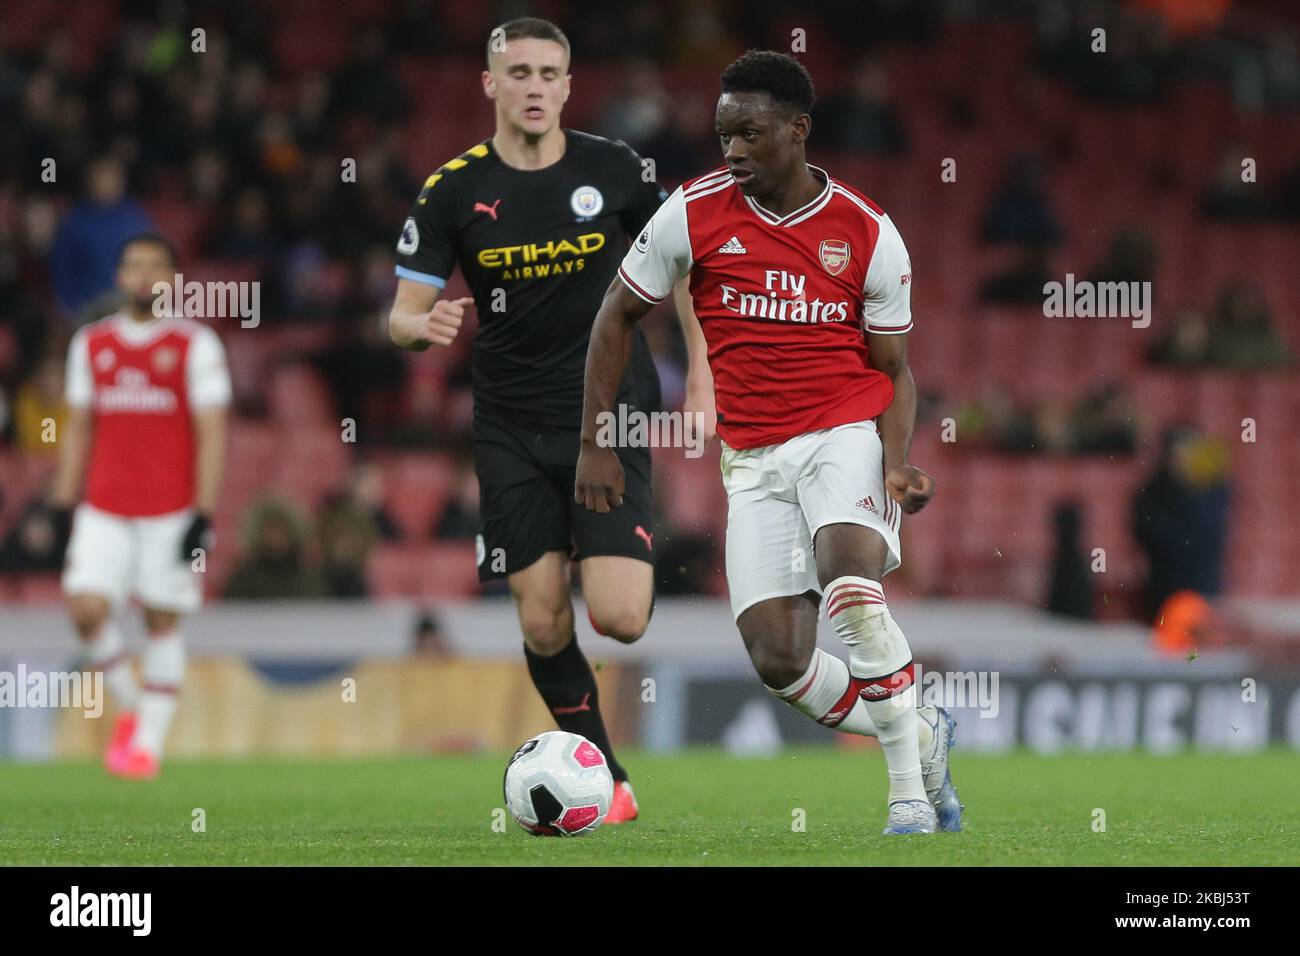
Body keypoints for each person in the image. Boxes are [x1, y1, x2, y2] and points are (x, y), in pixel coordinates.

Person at [576, 51, 961, 835]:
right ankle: (922, 734)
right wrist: (595, 441)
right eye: (724, 135)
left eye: (750, 133)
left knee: (850, 586)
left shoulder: (867, 231)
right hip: (751, 459)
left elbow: (896, 370)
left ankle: (907, 798)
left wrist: (894, 461)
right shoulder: (692, 213)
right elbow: (615, 315)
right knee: (779, 659)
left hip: (843, 432)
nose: (735, 150)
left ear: (799, 129)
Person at [386, 18, 702, 823]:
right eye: (517, 72)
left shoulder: (614, 168)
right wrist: (421, 325)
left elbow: (687, 269)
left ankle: (594, 757)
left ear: (567, 84)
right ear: (490, 83)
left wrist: (702, 381)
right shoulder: (452, 188)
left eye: (548, 73)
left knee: (622, 618)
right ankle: (611, 776)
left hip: (609, 416)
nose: (533, 86)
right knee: (538, 612)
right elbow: (400, 315)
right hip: (510, 423)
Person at [49, 232, 230, 780]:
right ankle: (132, 707)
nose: (144, 274)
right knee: (84, 609)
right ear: (119, 276)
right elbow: (78, 426)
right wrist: (62, 500)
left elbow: (213, 434)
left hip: (169, 508)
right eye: (134, 264)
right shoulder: (91, 344)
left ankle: (146, 746)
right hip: (104, 505)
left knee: (161, 620)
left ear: (173, 280)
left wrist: (202, 512)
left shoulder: (196, 345)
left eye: (156, 266)